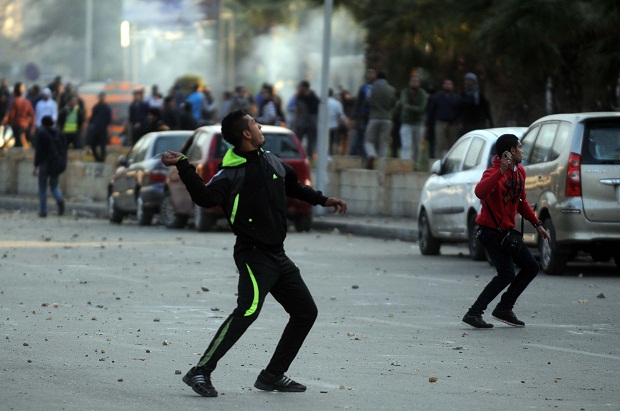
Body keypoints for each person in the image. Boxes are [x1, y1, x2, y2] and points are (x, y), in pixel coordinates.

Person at [161, 110, 348, 397]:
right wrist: (185, 166)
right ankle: (201, 370)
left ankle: (272, 375)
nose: (260, 126)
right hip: (252, 254)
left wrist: (323, 199)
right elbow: (204, 198)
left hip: (278, 255)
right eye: (254, 124)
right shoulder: (230, 174)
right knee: (248, 310)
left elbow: (294, 186)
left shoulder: (271, 160)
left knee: (305, 311)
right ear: (246, 133)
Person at [462, 134, 550, 329]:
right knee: (506, 274)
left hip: (507, 234)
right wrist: (501, 170)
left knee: (531, 267)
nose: (522, 151)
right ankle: (474, 313)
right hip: (490, 233)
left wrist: (537, 224)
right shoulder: (493, 172)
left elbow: (521, 202)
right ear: (511, 151)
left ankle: (504, 307)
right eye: (520, 147)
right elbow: (480, 192)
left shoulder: (520, 173)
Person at [33, 115, 66, 217]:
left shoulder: (41, 134)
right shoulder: (59, 134)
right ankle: (59, 199)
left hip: (44, 164)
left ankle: (43, 210)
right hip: (56, 164)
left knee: (42, 187)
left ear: (43, 124)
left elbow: (38, 151)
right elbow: (64, 149)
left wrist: (35, 166)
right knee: (54, 186)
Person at [363, 71, 396, 169]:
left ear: (376, 78)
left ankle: (371, 154)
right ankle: (382, 163)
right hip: (387, 118)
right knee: (384, 142)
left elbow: (367, 101)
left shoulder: (371, 88)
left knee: (368, 140)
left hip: (374, 117)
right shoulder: (391, 89)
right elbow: (393, 103)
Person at [398, 75, 428, 169]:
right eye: (412, 81)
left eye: (416, 81)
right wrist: (412, 108)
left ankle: (416, 165)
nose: (414, 83)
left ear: (419, 83)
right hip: (406, 122)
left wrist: (409, 108)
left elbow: (421, 108)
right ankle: (405, 163)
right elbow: (403, 103)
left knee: (417, 146)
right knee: (406, 144)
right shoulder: (405, 92)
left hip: (418, 123)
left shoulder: (422, 94)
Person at [426, 79, 461, 157]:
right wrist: (428, 124)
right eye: (445, 83)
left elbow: (459, 112)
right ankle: (438, 162)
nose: (447, 85)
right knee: (439, 144)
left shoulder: (457, 98)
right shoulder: (436, 97)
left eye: (449, 84)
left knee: (452, 144)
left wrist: (458, 122)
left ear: (452, 86)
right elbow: (431, 112)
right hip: (440, 123)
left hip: (453, 124)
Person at [349, 68, 376, 158]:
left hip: (373, 116)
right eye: (369, 72)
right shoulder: (364, 87)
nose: (370, 75)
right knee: (360, 137)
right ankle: (360, 156)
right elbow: (358, 103)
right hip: (363, 117)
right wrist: (354, 117)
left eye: (372, 73)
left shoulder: (377, 87)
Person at [293, 80, 320, 161]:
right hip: (301, 123)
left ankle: (310, 157)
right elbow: (297, 111)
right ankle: (296, 156)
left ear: (304, 88)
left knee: (311, 142)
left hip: (311, 123)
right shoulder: (300, 97)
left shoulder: (314, 98)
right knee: (297, 141)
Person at [4, 82, 35, 148]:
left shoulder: (14, 101)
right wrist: (31, 125)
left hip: (16, 125)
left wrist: (8, 122)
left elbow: (11, 114)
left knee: (18, 143)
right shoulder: (27, 102)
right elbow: (32, 115)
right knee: (23, 142)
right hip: (25, 125)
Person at [88, 92, 112, 162]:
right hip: (95, 130)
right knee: (92, 146)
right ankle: (98, 159)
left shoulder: (107, 108)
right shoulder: (95, 107)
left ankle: (102, 160)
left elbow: (109, 120)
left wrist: (109, 130)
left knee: (102, 146)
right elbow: (92, 119)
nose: (101, 98)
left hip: (103, 130)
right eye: (100, 96)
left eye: (102, 97)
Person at [327, 88, 346, 156]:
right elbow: (341, 115)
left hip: (325, 127)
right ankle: (332, 156)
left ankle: (326, 156)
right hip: (334, 126)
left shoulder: (322, 103)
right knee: (334, 142)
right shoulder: (337, 103)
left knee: (326, 142)